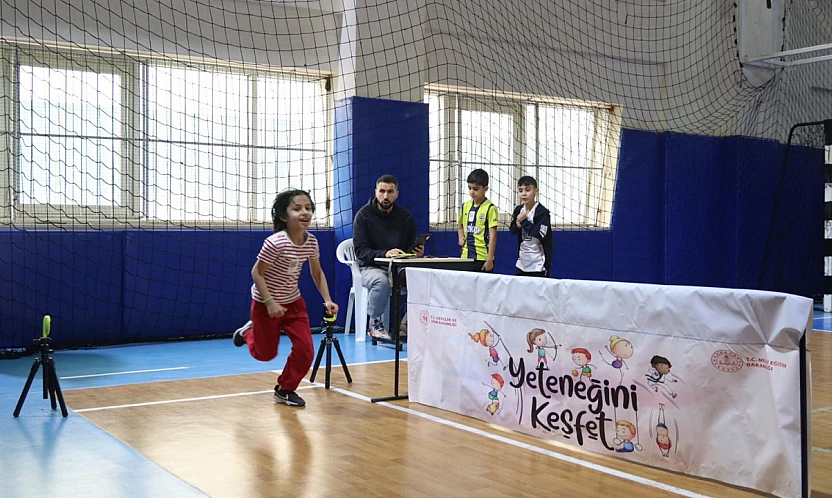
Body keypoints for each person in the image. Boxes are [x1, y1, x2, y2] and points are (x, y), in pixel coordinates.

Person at [231, 189, 338, 407]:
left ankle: (285, 389)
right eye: (297, 208)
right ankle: (249, 332)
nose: (305, 212)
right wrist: (270, 302)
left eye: (308, 208)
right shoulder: (275, 243)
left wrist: (327, 299)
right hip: (265, 303)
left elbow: (317, 273)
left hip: (293, 303)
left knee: (306, 350)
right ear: (283, 216)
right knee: (265, 355)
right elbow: (256, 273)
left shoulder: (311, 242)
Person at [353, 175, 424, 339]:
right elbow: (360, 252)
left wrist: (414, 253)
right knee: (382, 281)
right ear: (376, 192)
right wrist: (384, 253)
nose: (386, 196)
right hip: (370, 268)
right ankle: (375, 323)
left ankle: (406, 324)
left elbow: (406, 250)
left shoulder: (406, 218)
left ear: (397, 194)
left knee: (423, 279)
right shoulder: (363, 215)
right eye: (382, 191)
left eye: (390, 192)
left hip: (398, 268)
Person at [509, 176, 553, 277]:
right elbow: (512, 230)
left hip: (538, 264)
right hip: (522, 263)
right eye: (520, 190)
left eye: (527, 190)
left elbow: (540, 234)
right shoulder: (519, 210)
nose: (524, 193)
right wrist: (517, 224)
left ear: (536, 191)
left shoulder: (542, 212)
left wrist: (524, 221)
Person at [457, 168, 498, 272]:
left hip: (482, 257)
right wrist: (461, 237)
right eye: (469, 188)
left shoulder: (490, 208)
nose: (472, 192)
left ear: (485, 189)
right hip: (466, 257)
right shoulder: (465, 206)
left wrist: (490, 260)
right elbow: (460, 225)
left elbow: (493, 235)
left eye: (475, 189)